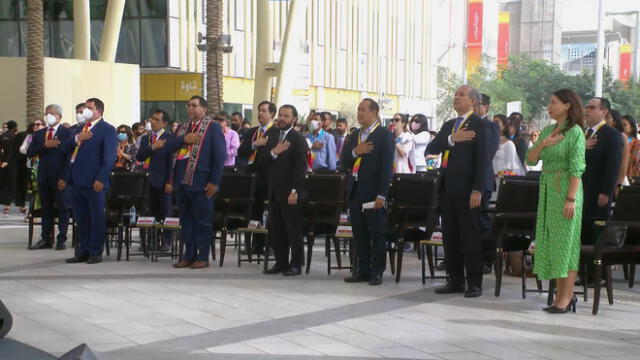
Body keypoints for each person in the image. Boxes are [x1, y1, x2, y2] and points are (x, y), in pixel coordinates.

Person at [426, 85, 491, 298]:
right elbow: (431, 149)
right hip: (448, 189)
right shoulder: (449, 125)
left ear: (473, 101)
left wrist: (477, 190)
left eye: (461, 95)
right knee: (450, 237)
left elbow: (483, 160)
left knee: (470, 237)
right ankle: (455, 280)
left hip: (469, 190)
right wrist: (452, 139)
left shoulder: (480, 125)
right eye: (455, 95)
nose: (456, 98)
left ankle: (474, 282)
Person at [525, 89, 586, 313]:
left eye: (553, 103)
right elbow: (530, 159)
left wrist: (570, 198)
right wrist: (544, 144)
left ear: (567, 105)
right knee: (552, 243)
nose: (549, 107)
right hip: (548, 190)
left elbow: (577, 167)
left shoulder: (576, 132)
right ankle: (562, 296)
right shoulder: (549, 131)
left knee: (566, 244)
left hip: (566, 191)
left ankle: (566, 297)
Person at [342, 99, 394, 286]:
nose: (360, 113)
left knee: (377, 233)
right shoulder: (355, 135)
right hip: (356, 191)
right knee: (359, 233)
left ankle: (377, 270)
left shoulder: (384, 135)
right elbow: (344, 161)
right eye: (358, 110)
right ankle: (362, 269)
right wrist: (356, 151)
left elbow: (387, 167)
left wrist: (382, 194)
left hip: (374, 193)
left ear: (374, 112)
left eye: (363, 110)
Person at [169, 96, 226, 269]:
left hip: (201, 181)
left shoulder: (212, 127)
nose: (190, 109)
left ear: (204, 109)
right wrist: (184, 139)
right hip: (181, 181)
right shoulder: (182, 128)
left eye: (194, 106)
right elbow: (170, 147)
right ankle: (189, 255)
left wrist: (214, 182)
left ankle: (202, 256)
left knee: (202, 220)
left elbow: (220, 157)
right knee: (186, 220)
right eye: (188, 106)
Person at [64, 98, 117, 264]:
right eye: (84, 108)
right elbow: (65, 148)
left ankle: (95, 251)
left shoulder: (107, 129)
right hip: (76, 180)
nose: (85, 111)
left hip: (94, 181)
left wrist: (101, 178)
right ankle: (82, 250)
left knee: (96, 218)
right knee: (81, 219)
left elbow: (109, 157)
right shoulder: (79, 128)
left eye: (89, 108)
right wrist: (76, 138)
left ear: (98, 111)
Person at [262, 105, 309, 276]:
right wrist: (274, 152)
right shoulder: (271, 135)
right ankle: (281, 263)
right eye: (280, 115)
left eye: (286, 116)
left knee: (293, 231)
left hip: (291, 193)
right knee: (276, 230)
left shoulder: (298, 139)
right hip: (273, 191)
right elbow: (261, 160)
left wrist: (295, 191)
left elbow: (301, 169)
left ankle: (296, 264)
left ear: (294, 119)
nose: (281, 118)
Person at [27, 104, 73, 250]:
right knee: (46, 208)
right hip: (43, 176)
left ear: (59, 116)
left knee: (62, 209)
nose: (49, 116)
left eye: (52, 113)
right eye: (47, 113)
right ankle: (46, 238)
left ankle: (61, 238)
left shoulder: (67, 133)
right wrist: (45, 145)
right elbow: (30, 152)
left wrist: (64, 178)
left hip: (59, 177)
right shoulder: (39, 134)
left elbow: (69, 157)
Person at [237, 101, 280, 254]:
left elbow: (272, 154)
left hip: (267, 177)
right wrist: (255, 144)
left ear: (271, 114)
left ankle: (269, 244)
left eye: (263, 111)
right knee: (254, 212)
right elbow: (241, 151)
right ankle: (255, 244)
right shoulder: (252, 132)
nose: (260, 113)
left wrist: (264, 147)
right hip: (252, 177)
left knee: (268, 213)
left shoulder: (276, 132)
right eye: (259, 110)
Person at [581, 98, 623, 246]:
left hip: (598, 193)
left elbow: (613, 166)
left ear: (604, 112)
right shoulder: (581, 133)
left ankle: (595, 268)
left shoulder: (611, 134)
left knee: (595, 236)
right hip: (579, 191)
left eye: (592, 108)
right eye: (586, 107)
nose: (587, 110)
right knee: (580, 234)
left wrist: (606, 192)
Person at [135, 108, 176, 251]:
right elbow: (139, 156)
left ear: (164, 123)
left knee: (165, 212)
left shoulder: (170, 138)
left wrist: (170, 181)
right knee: (149, 212)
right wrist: (153, 147)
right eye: (152, 119)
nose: (153, 122)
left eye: (157, 120)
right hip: (147, 181)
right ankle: (151, 240)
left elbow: (172, 162)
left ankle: (166, 240)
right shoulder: (147, 139)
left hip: (163, 180)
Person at [606, 109, 631, 189]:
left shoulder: (621, 136)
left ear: (615, 121)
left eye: (607, 117)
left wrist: (619, 183)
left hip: (617, 181)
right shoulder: (599, 134)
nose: (604, 120)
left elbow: (624, 161)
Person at [0, 120, 18, 217]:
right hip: (12, 163)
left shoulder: (2, 136)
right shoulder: (15, 137)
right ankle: (7, 206)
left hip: (3, 163)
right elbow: (14, 151)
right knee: (11, 184)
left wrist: (2, 160)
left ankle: (6, 205)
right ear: (15, 127)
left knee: (4, 183)